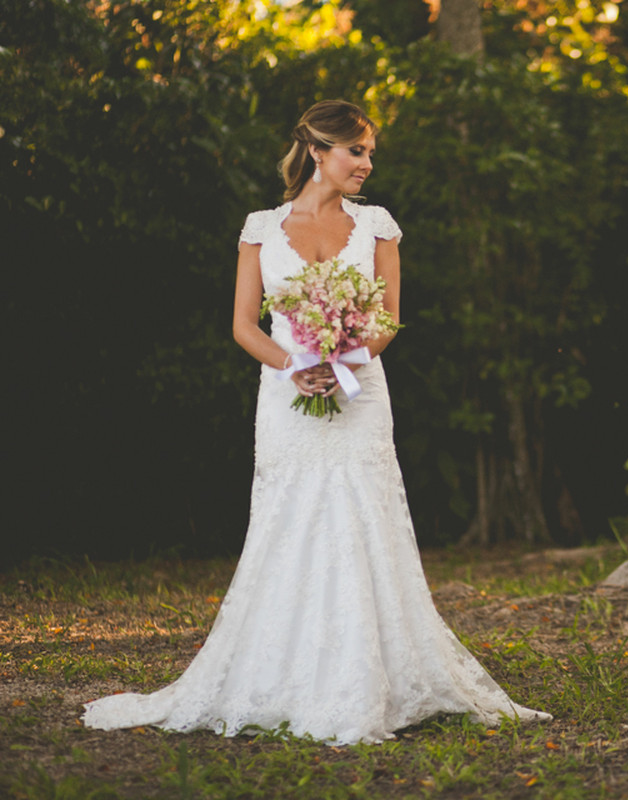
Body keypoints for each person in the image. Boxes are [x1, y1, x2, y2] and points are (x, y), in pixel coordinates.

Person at [82, 100, 550, 745]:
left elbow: (388, 317)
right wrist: (296, 366)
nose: (367, 163)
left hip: (360, 391)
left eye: (370, 152)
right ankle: (282, 674)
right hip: (286, 396)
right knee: (290, 518)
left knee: (364, 515)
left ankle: (373, 677)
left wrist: (341, 360)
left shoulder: (378, 226)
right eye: (356, 150)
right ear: (317, 151)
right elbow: (244, 324)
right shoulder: (261, 229)